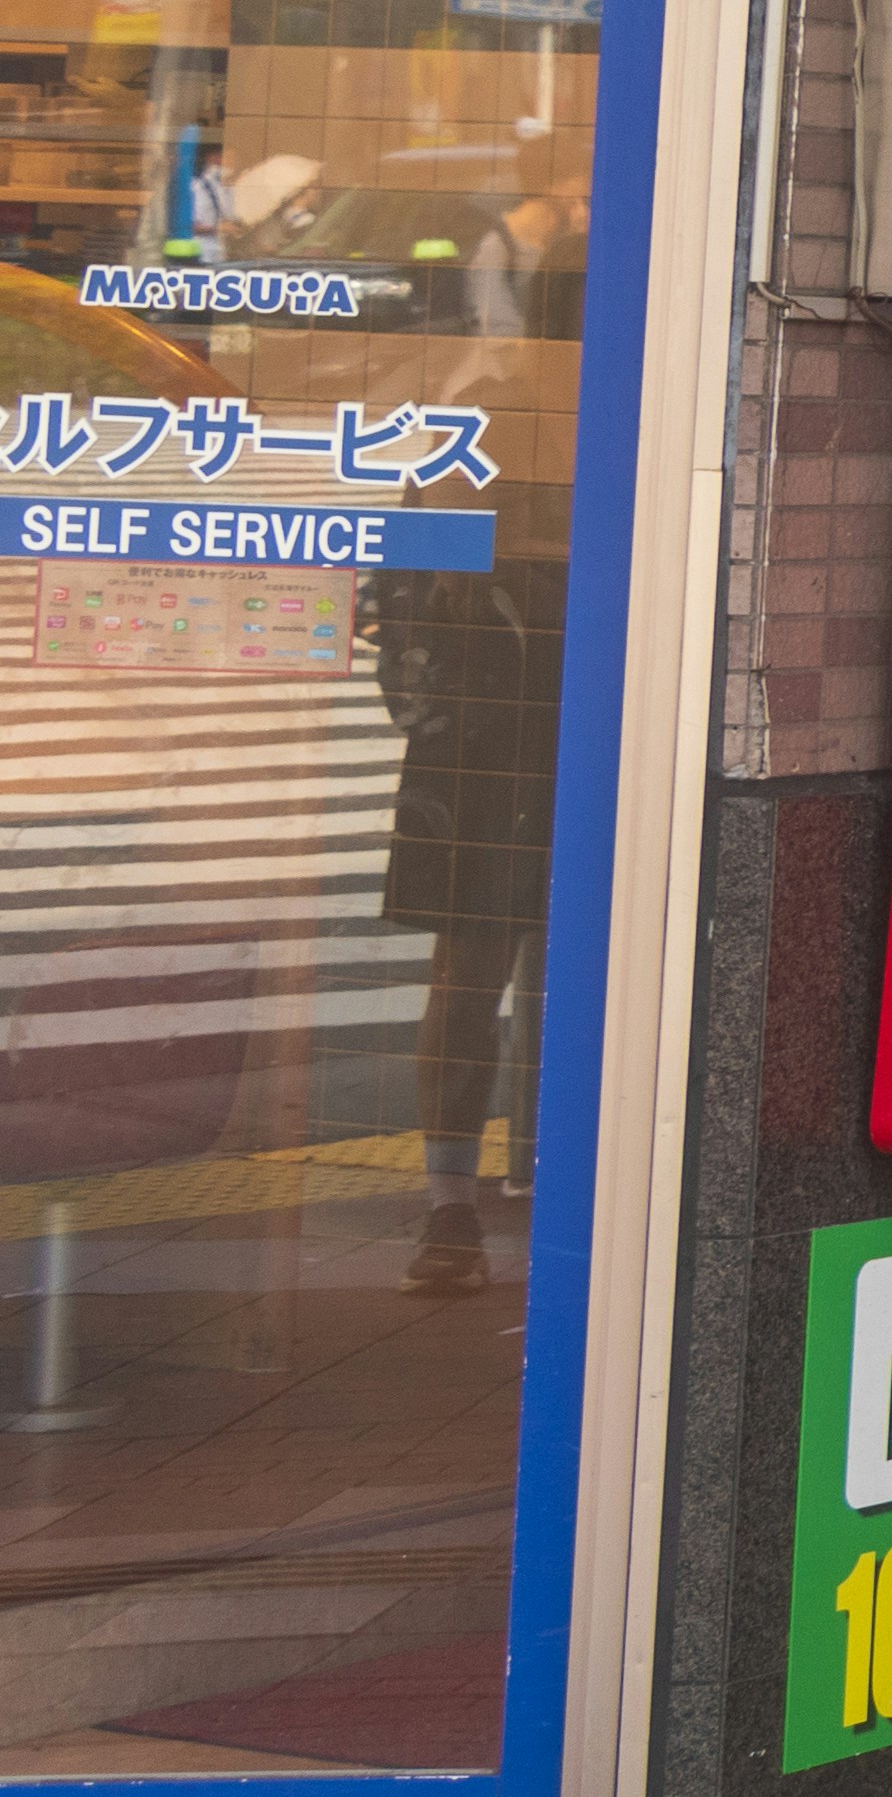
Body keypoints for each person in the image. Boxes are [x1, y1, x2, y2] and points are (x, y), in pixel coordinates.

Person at [380, 150, 584, 1296]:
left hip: (475, 740)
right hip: (551, 729)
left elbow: (398, 601)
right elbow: (407, 591)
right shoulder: (589, 434)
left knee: (476, 969)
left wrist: (429, 704)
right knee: (527, 965)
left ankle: (457, 1201)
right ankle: (489, 1188)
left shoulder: (476, 425)